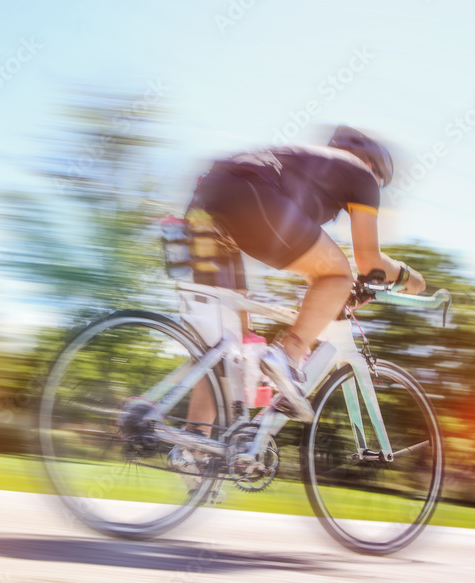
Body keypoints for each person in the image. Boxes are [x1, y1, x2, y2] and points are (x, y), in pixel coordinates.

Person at [179, 125, 425, 432]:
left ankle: (194, 451)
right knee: (337, 275)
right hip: (249, 195)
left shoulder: (309, 167)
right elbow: (369, 261)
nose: (376, 190)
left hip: (205, 202)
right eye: (380, 183)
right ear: (373, 168)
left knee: (227, 349)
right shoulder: (361, 173)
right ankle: (287, 356)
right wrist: (411, 279)